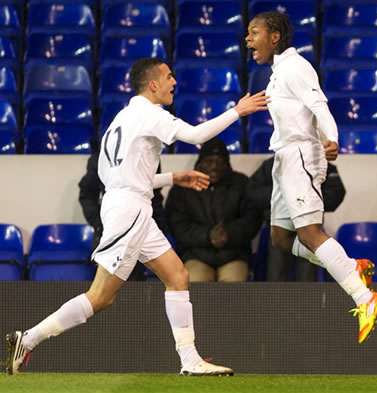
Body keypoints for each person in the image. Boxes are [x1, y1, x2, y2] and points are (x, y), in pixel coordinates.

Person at [5, 57, 269, 376]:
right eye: (169, 76)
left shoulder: (122, 119)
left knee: (178, 276)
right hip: (129, 211)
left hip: (131, 206)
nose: (174, 82)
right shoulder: (149, 113)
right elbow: (198, 135)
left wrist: (172, 178)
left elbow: (119, 177)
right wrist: (236, 111)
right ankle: (29, 339)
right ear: (153, 84)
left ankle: (190, 360)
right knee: (101, 296)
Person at [245, 11, 377, 344]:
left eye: (254, 33)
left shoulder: (296, 67)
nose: (248, 40)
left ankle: (365, 298)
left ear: (275, 35)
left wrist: (333, 139)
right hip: (283, 161)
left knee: (309, 233)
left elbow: (319, 105)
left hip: (300, 159)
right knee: (280, 238)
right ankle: (353, 266)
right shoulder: (277, 72)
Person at [166, 138, 262, 282]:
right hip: (196, 255)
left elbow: (252, 219)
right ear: (200, 162)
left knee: (233, 288)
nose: (214, 166)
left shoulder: (241, 183)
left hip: (233, 255)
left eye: (220, 161)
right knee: (197, 286)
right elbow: (178, 226)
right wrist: (208, 236)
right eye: (209, 161)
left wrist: (228, 234)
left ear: (227, 163)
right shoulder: (183, 188)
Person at [247, 156, 346, 281]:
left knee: (307, 279)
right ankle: (277, 300)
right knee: (277, 276)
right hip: (280, 227)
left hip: (309, 227)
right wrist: (282, 197)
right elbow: (252, 192)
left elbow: (336, 193)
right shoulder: (272, 164)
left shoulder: (320, 164)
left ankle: (306, 301)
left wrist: (307, 201)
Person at [78, 151, 169, 281]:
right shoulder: (103, 154)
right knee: (104, 294)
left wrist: (160, 228)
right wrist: (100, 224)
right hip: (112, 233)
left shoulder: (150, 153)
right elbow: (87, 194)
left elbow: (153, 195)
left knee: (138, 286)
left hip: (141, 231)